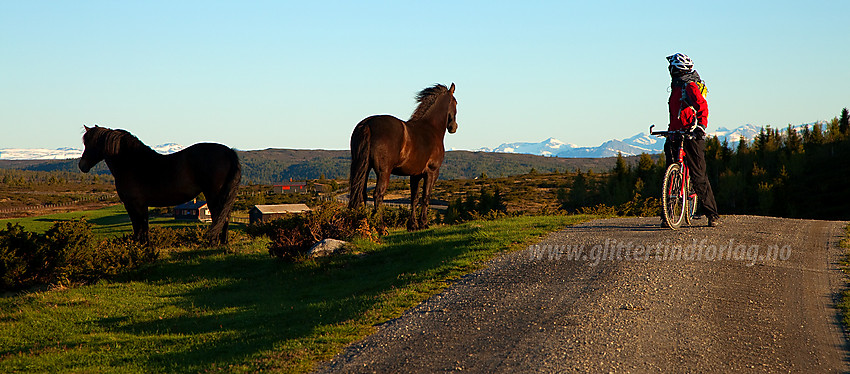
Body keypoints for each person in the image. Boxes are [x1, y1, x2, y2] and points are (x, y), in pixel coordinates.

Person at [665, 53, 721, 227]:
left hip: (692, 134)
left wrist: (700, 127)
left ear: (676, 69)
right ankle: (666, 215)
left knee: (698, 175)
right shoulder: (675, 86)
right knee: (669, 173)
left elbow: (702, 106)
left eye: (671, 67)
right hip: (675, 133)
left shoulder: (689, 86)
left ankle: (712, 214)